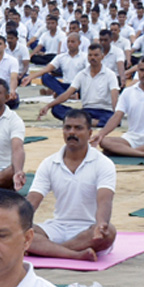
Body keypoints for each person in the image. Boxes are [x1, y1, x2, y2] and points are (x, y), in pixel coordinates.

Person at [27, 111, 118, 261]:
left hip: (88, 230)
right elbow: (33, 199)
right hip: (56, 228)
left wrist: (101, 224)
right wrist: (17, 222)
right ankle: (74, 254)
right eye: (67, 128)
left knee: (110, 233)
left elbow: (105, 200)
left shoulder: (103, 164)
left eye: (78, 128)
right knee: (21, 231)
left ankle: (49, 250)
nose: (72, 132)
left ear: (89, 133)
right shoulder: (49, 163)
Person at [93, 56, 144, 159]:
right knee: (104, 141)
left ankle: (123, 152)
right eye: (142, 70)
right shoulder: (128, 92)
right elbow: (117, 116)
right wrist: (101, 133)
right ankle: (143, 154)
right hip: (131, 138)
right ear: (137, 71)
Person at [38, 42, 120, 128]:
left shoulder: (110, 75)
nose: (93, 58)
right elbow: (67, 93)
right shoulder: (82, 74)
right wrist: (48, 106)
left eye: (96, 55)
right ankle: (89, 122)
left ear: (102, 57)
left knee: (113, 119)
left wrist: (116, 114)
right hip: (86, 111)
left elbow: (114, 95)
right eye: (90, 55)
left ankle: (84, 122)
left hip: (104, 111)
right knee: (57, 109)